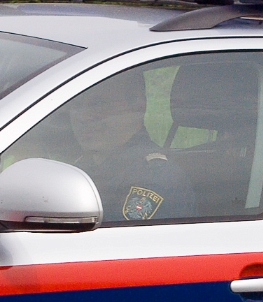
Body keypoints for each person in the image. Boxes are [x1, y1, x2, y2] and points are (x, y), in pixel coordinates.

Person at [67, 70, 196, 221]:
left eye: (98, 104)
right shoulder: (83, 167)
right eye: (75, 104)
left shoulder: (155, 180)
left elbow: (119, 242)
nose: (82, 117)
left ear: (137, 106)